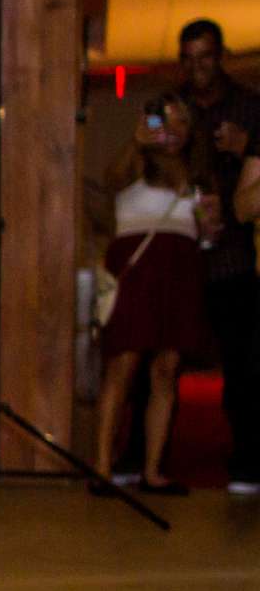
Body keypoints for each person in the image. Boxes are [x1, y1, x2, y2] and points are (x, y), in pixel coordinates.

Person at [91, 96, 207, 494]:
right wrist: (138, 142)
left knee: (166, 369)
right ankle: (103, 468)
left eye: (180, 123)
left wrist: (211, 224)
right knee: (123, 364)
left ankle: (153, 471)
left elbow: (208, 230)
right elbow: (110, 180)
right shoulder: (136, 160)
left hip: (181, 266)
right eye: (164, 123)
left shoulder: (198, 171)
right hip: (137, 267)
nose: (170, 132)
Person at [176, 19, 260, 495]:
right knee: (161, 360)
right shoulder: (173, 107)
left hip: (234, 254)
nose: (197, 68)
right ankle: (143, 460)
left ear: (221, 55)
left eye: (205, 57)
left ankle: (247, 461)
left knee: (242, 363)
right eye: (188, 58)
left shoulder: (250, 106)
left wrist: (244, 146)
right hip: (181, 250)